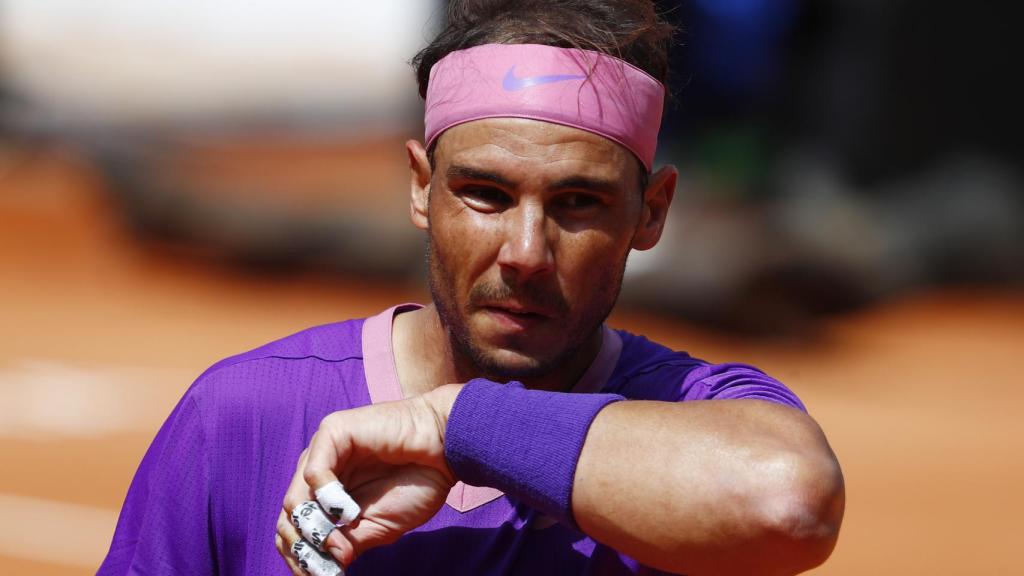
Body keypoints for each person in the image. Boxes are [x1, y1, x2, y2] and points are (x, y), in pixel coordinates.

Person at [100, 1, 844, 575]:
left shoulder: (697, 413)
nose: (525, 253)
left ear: (651, 214)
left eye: (577, 203)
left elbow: (790, 502)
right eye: (484, 194)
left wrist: (454, 429)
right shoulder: (241, 415)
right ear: (422, 190)